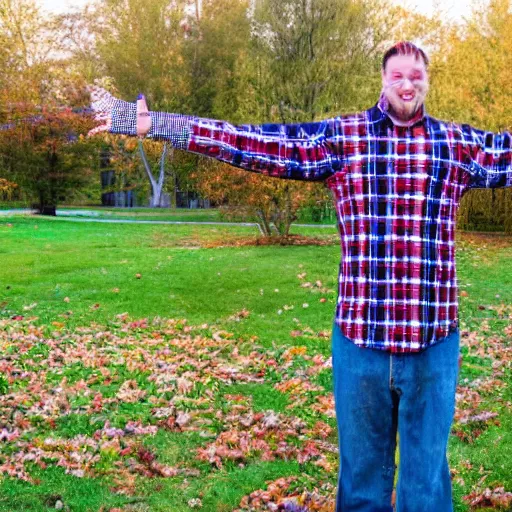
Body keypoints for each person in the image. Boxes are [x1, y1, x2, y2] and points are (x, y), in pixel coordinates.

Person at [88, 41, 512, 512]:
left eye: (417, 75)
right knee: (362, 486)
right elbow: (257, 142)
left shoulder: (455, 145)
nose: (407, 83)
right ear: (383, 80)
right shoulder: (345, 138)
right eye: (398, 75)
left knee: (427, 488)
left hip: (434, 343)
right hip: (360, 341)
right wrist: (157, 125)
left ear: (427, 81)